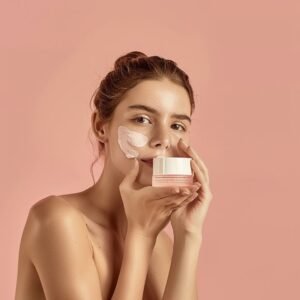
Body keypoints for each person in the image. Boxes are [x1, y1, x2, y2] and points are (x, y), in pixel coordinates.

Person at [15, 51, 213, 300]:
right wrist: (139, 237)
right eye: (142, 119)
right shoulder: (57, 220)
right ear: (100, 126)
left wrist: (188, 234)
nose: (163, 139)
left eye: (177, 126)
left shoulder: (161, 245)